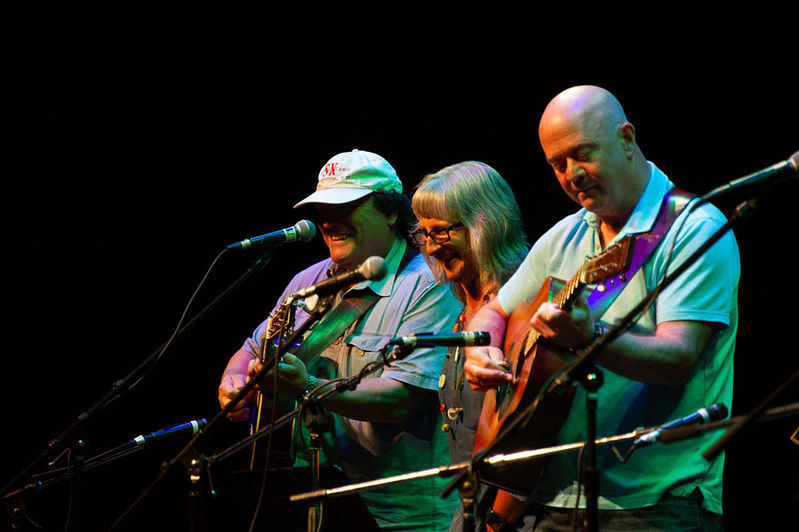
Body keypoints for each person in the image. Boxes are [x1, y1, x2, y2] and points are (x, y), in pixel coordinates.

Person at [463, 86, 739, 530]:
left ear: (626, 139)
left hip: (655, 502)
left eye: (581, 155)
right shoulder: (566, 235)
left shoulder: (693, 227)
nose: (571, 175)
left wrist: (589, 338)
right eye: (557, 165)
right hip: (552, 495)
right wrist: (481, 349)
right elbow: (492, 311)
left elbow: (679, 357)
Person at [218, 149, 463, 530]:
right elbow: (251, 349)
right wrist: (234, 382)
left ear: (391, 211)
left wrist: (310, 387)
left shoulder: (430, 285)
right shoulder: (307, 281)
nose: (329, 222)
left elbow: (402, 399)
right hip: (311, 499)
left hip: (397, 514)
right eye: (322, 210)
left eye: (345, 207)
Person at [411, 160, 529, 531]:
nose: (431, 248)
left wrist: (497, 521)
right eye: (424, 234)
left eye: (442, 233)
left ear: (486, 225)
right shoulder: (464, 309)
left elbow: (533, 434)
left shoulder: (524, 306)